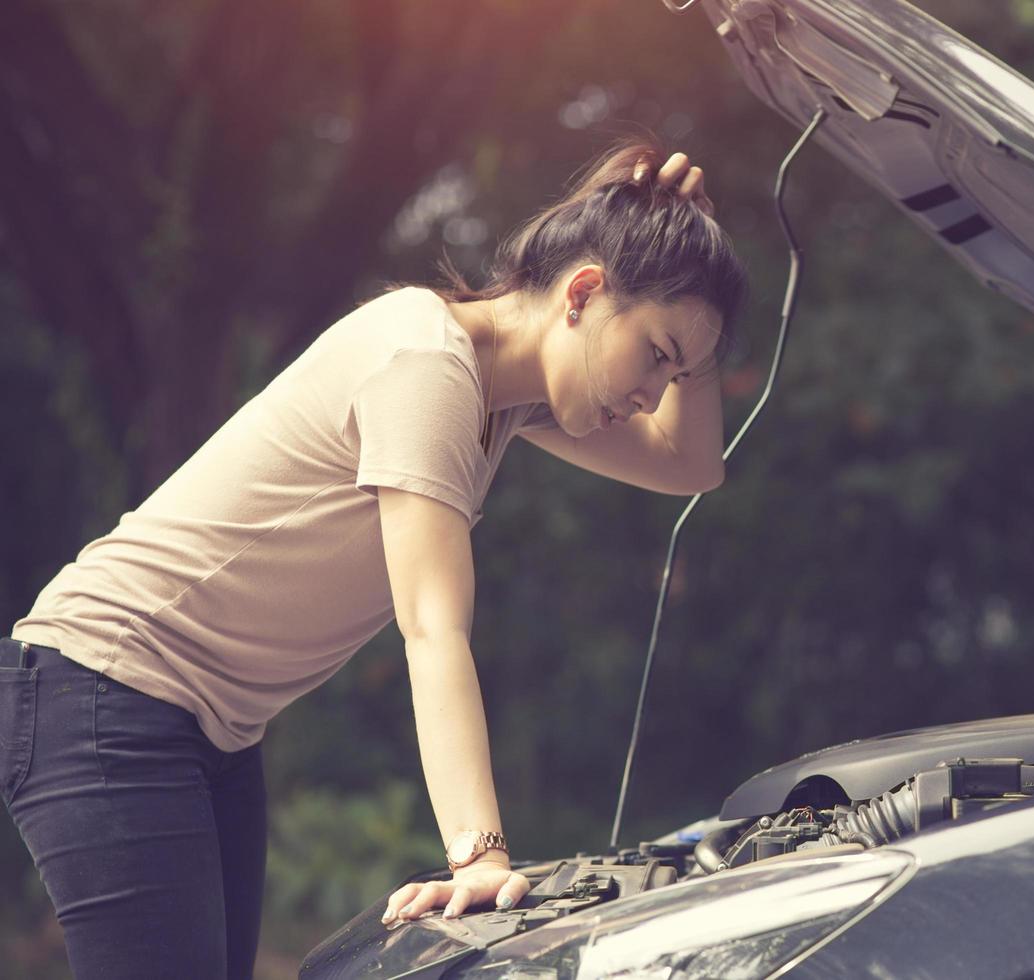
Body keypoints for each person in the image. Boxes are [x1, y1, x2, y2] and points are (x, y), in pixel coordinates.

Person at [0, 140, 748, 979]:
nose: (654, 393)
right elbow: (431, 629)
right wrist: (479, 857)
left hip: (204, 727)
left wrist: (693, 260)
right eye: (656, 354)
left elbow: (693, 465)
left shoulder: (504, 400)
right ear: (583, 292)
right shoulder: (426, 364)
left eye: (674, 371)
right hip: (101, 693)